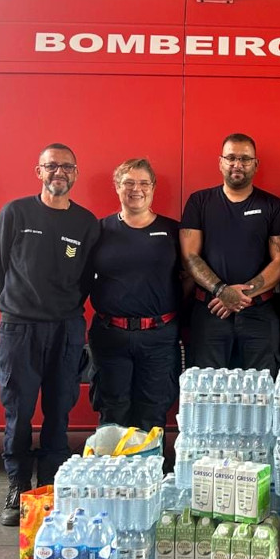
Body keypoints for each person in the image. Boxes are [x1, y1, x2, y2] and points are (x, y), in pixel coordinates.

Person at [0, 143, 100, 526]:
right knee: (18, 411)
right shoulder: (16, 213)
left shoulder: (86, 223)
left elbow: (86, 280)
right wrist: (17, 308)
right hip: (20, 328)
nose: (59, 173)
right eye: (51, 166)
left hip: (66, 329)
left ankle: (48, 489)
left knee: (59, 411)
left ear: (75, 174)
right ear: (39, 171)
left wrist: (64, 311)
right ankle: (18, 487)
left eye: (66, 167)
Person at [87, 158, 184, 435]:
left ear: (153, 188)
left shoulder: (173, 231)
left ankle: (148, 473)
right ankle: (113, 475)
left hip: (159, 338)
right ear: (117, 187)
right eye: (128, 183)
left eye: (143, 183)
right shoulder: (99, 230)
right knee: (112, 411)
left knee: (152, 412)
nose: (136, 189)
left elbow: (188, 278)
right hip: (110, 338)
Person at [181, 134, 280, 372]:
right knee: (208, 394)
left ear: (255, 164)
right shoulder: (199, 202)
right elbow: (190, 257)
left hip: (259, 314)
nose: (237, 164)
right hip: (210, 312)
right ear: (220, 162)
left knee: (261, 395)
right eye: (230, 158)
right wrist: (221, 290)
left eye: (245, 159)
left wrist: (239, 296)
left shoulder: (273, 205)